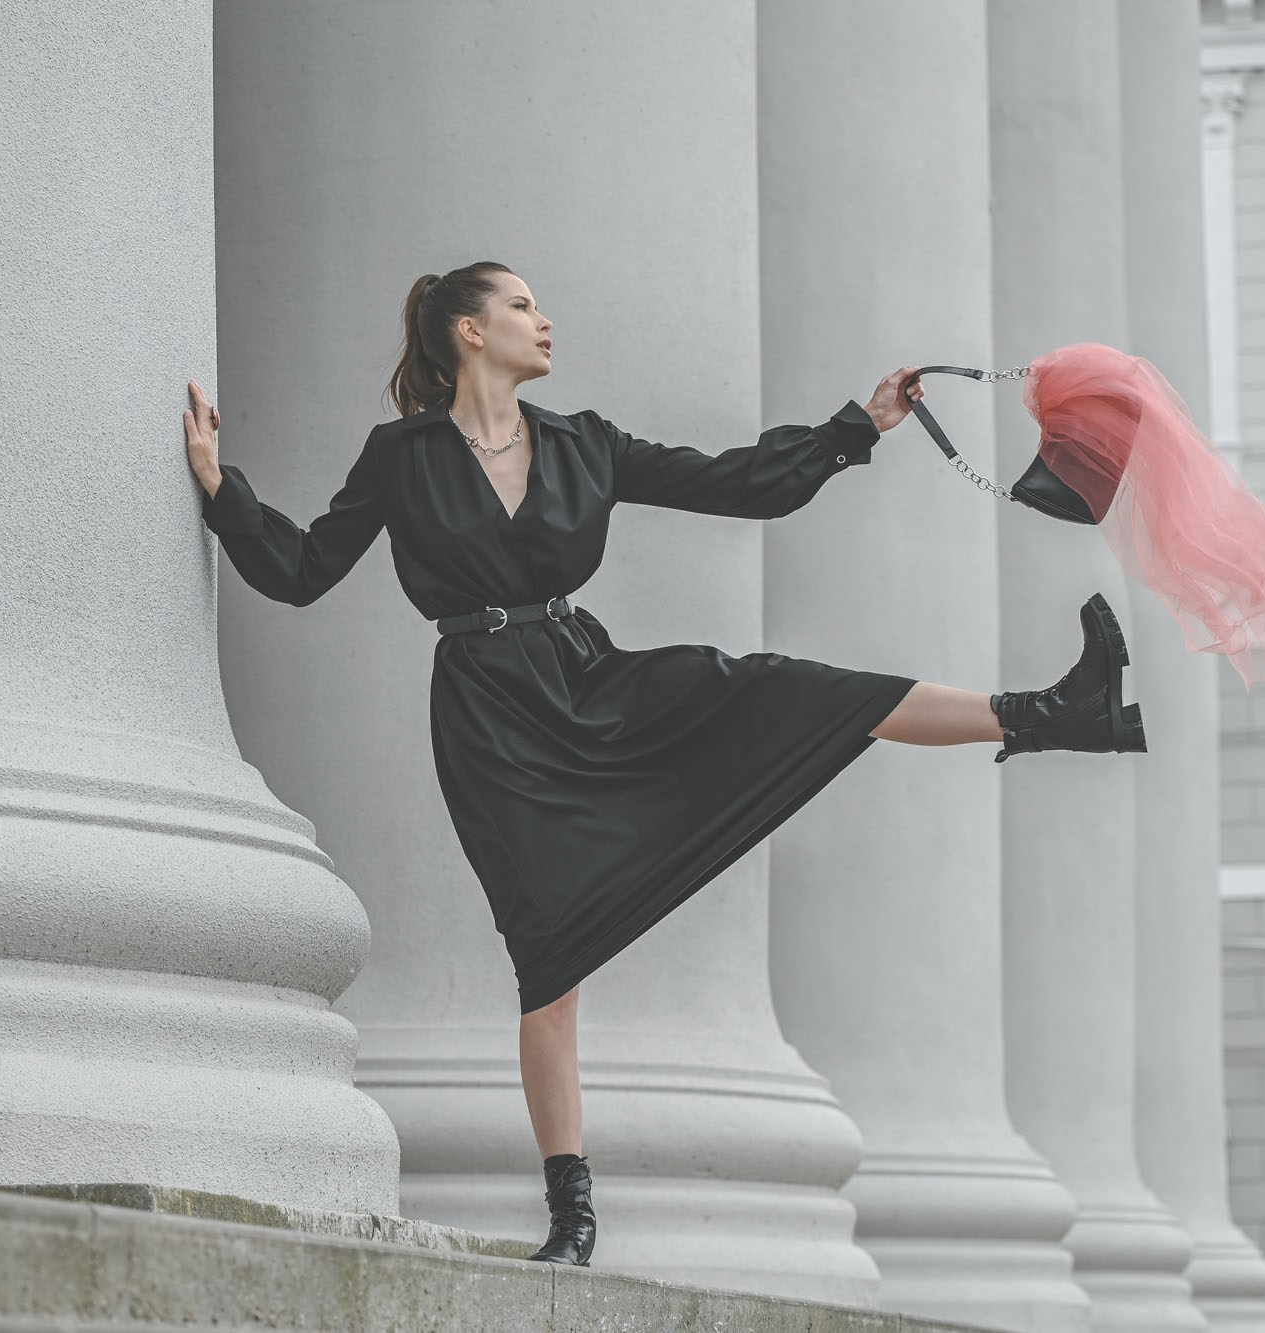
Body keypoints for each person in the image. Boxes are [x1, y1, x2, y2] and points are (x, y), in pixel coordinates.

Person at [182, 261, 1144, 1268]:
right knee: (548, 956)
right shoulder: (402, 455)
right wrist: (218, 487)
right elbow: (301, 572)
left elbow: (737, 483)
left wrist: (856, 428)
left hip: (587, 676)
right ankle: (572, 1216)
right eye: (520, 305)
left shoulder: (584, 443)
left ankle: (1047, 711)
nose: (544, 319)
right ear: (467, 330)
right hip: (487, 717)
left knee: (787, 689)